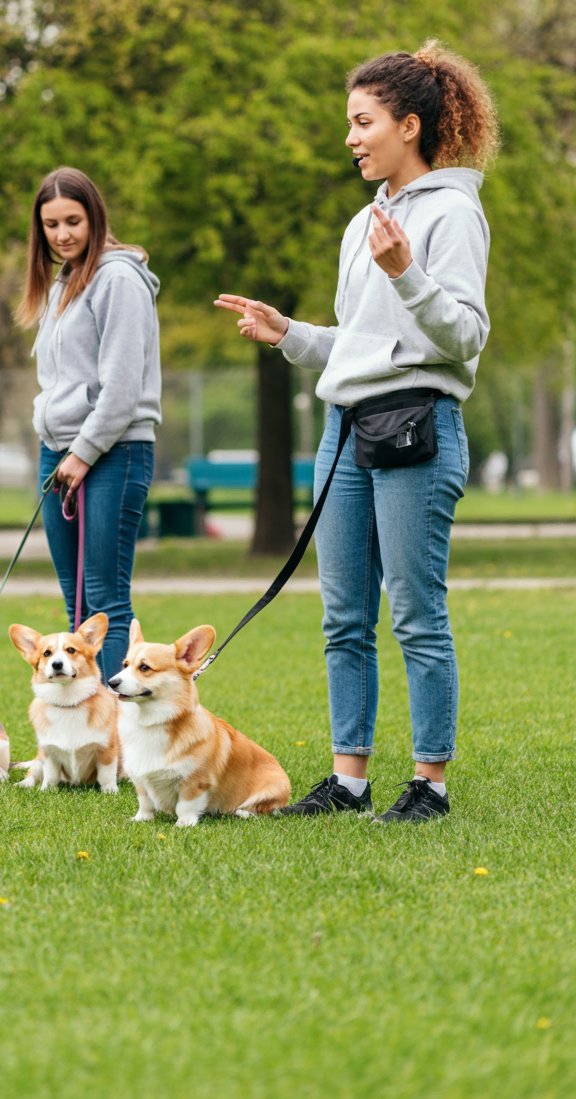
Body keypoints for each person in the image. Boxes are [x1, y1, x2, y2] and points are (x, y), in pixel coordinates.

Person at [215, 41, 499, 821]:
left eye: (362, 121)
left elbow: (464, 336)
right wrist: (289, 334)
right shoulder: (363, 221)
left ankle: (430, 785)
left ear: (409, 124)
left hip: (418, 431)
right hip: (345, 432)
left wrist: (408, 271)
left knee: (415, 612)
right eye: (349, 122)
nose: (351, 137)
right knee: (344, 616)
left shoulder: (452, 213)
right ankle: (349, 780)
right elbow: (363, 344)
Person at [17, 167, 161, 682]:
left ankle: (113, 730)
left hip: (113, 451)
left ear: (94, 217)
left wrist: (82, 453)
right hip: (59, 452)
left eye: (73, 221)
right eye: (51, 224)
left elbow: (121, 388)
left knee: (104, 600)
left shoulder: (118, 279)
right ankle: (80, 728)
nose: (62, 235)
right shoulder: (61, 283)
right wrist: (60, 449)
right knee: (75, 603)